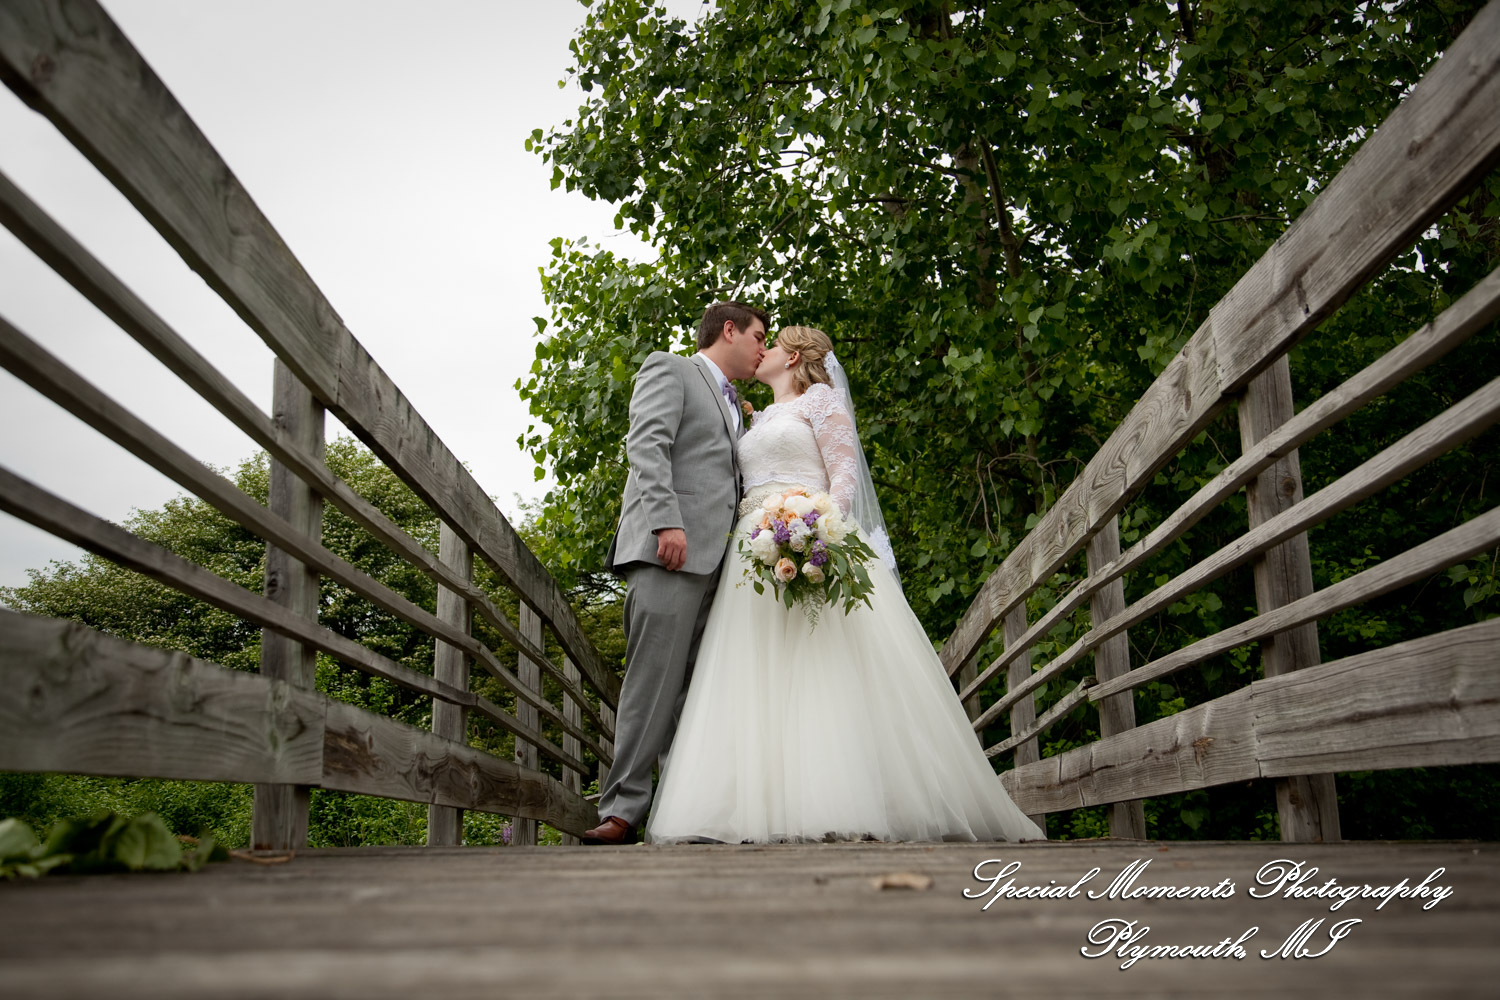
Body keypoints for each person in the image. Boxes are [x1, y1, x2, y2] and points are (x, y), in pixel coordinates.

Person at [645, 326, 1044, 844]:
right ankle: (753, 807)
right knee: (754, 671)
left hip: (810, 539)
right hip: (755, 551)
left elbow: (844, 476)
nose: (762, 350)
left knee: (821, 668)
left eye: (772, 343)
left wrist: (815, 532)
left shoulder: (822, 400)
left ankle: (835, 803)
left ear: (793, 357)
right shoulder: (756, 416)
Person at [582, 301, 768, 846]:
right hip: (671, 551)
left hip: (718, 564)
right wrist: (666, 522)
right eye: (759, 336)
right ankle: (621, 811)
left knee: (693, 694)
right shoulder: (672, 369)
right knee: (652, 683)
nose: (763, 348)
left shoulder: (735, 404)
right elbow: (647, 444)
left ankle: (683, 814)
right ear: (728, 330)